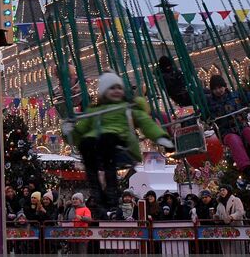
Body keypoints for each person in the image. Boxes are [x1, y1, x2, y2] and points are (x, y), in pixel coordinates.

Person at [58, 72, 175, 216]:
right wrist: (68, 131)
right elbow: (78, 134)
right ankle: (96, 187)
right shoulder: (94, 112)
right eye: (111, 88)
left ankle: (111, 190)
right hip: (99, 146)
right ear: (104, 92)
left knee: (107, 140)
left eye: (119, 88)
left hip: (120, 143)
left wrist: (161, 137)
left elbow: (146, 123)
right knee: (86, 143)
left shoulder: (127, 108)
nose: (116, 91)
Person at [205, 74, 250, 172]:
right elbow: (203, 112)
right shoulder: (209, 102)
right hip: (226, 131)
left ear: (225, 86)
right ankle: (246, 168)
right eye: (215, 89)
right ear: (212, 90)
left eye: (220, 87)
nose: (218, 90)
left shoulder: (235, 95)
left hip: (242, 125)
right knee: (234, 140)